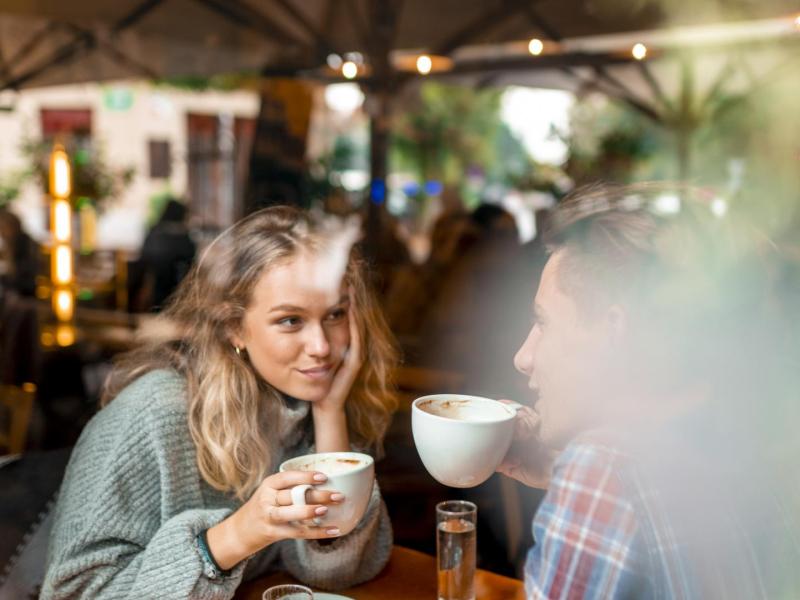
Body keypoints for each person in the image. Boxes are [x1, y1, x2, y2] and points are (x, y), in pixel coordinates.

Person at [42, 206, 398, 598]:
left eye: (335, 314)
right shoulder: (152, 414)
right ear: (234, 327)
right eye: (290, 321)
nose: (322, 347)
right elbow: (70, 592)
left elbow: (339, 571)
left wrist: (330, 413)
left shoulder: (305, 403)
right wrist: (237, 535)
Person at [498, 184, 800, 598]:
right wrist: (557, 470)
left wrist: (589, 487)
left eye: (544, 323)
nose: (523, 356)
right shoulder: (755, 436)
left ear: (612, 330)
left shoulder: (601, 468)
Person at [138, 198, 197, 310]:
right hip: (178, 287)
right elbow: (191, 256)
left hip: (155, 284)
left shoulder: (154, 230)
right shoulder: (183, 235)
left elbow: (144, 256)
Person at [0, 208, 39, 298]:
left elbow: (22, 278)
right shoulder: (12, 244)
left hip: (27, 296)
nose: (2, 232)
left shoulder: (26, 245)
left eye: (3, 227)